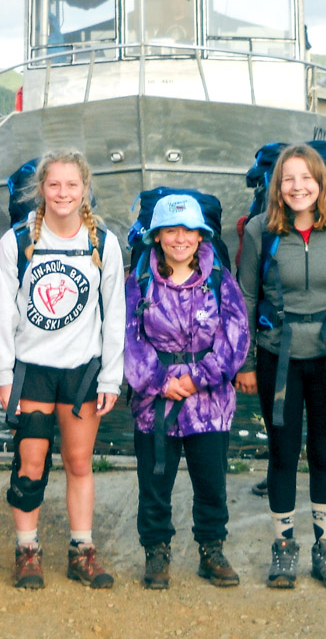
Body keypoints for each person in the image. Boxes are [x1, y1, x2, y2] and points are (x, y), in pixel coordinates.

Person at [235, 143, 326, 589]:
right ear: (278, 185)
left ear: (321, 182)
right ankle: (284, 547)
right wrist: (248, 362)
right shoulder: (260, 231)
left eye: (306, 178)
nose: (298, 187)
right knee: (282, 453)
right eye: (288, 179)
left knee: (325, 454)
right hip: (281, 356)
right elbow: (247, 299)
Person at [0, 149, 125, 590]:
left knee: (79, 461)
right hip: (32, 370)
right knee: (30, 463)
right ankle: (27, 550)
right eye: (54, 185)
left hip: (81, 370)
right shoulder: (15, 242)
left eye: (71, 185)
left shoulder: (103, 242)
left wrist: (111, 376)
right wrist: (3, 374)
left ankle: (81, 551)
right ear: (41, 190)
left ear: (85, 189)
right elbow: (2, 314)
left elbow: (114, 314)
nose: (62, 193)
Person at [124, 195, 249, 590]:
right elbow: (128, 338)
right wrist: (161, 381)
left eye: (188, 231)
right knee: (154, 483)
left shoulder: (219, 280)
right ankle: (156, 550)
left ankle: (211, 548)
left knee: (211, 481)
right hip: (154, 403)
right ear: (157, 236)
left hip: (209, 403)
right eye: (171, 231)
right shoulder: (140, 282)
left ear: (201, 235)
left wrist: (199, 378)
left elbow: (236, 336)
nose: (180, 239)